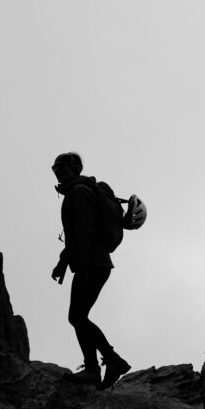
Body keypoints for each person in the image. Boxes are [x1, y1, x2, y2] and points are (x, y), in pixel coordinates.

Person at [51, 152, 131, 390]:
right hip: (95, 263)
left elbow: (83, 232)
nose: (56, 171)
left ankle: (103, 364)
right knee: (78, 316)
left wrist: (82, 269)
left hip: (93, 265)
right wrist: (63, 263)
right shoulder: (80, 191)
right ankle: (99, 366)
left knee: (77, 317)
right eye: (54, 167)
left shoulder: (79, 193)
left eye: (61, 167)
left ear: (73, 168)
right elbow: (76, 235)